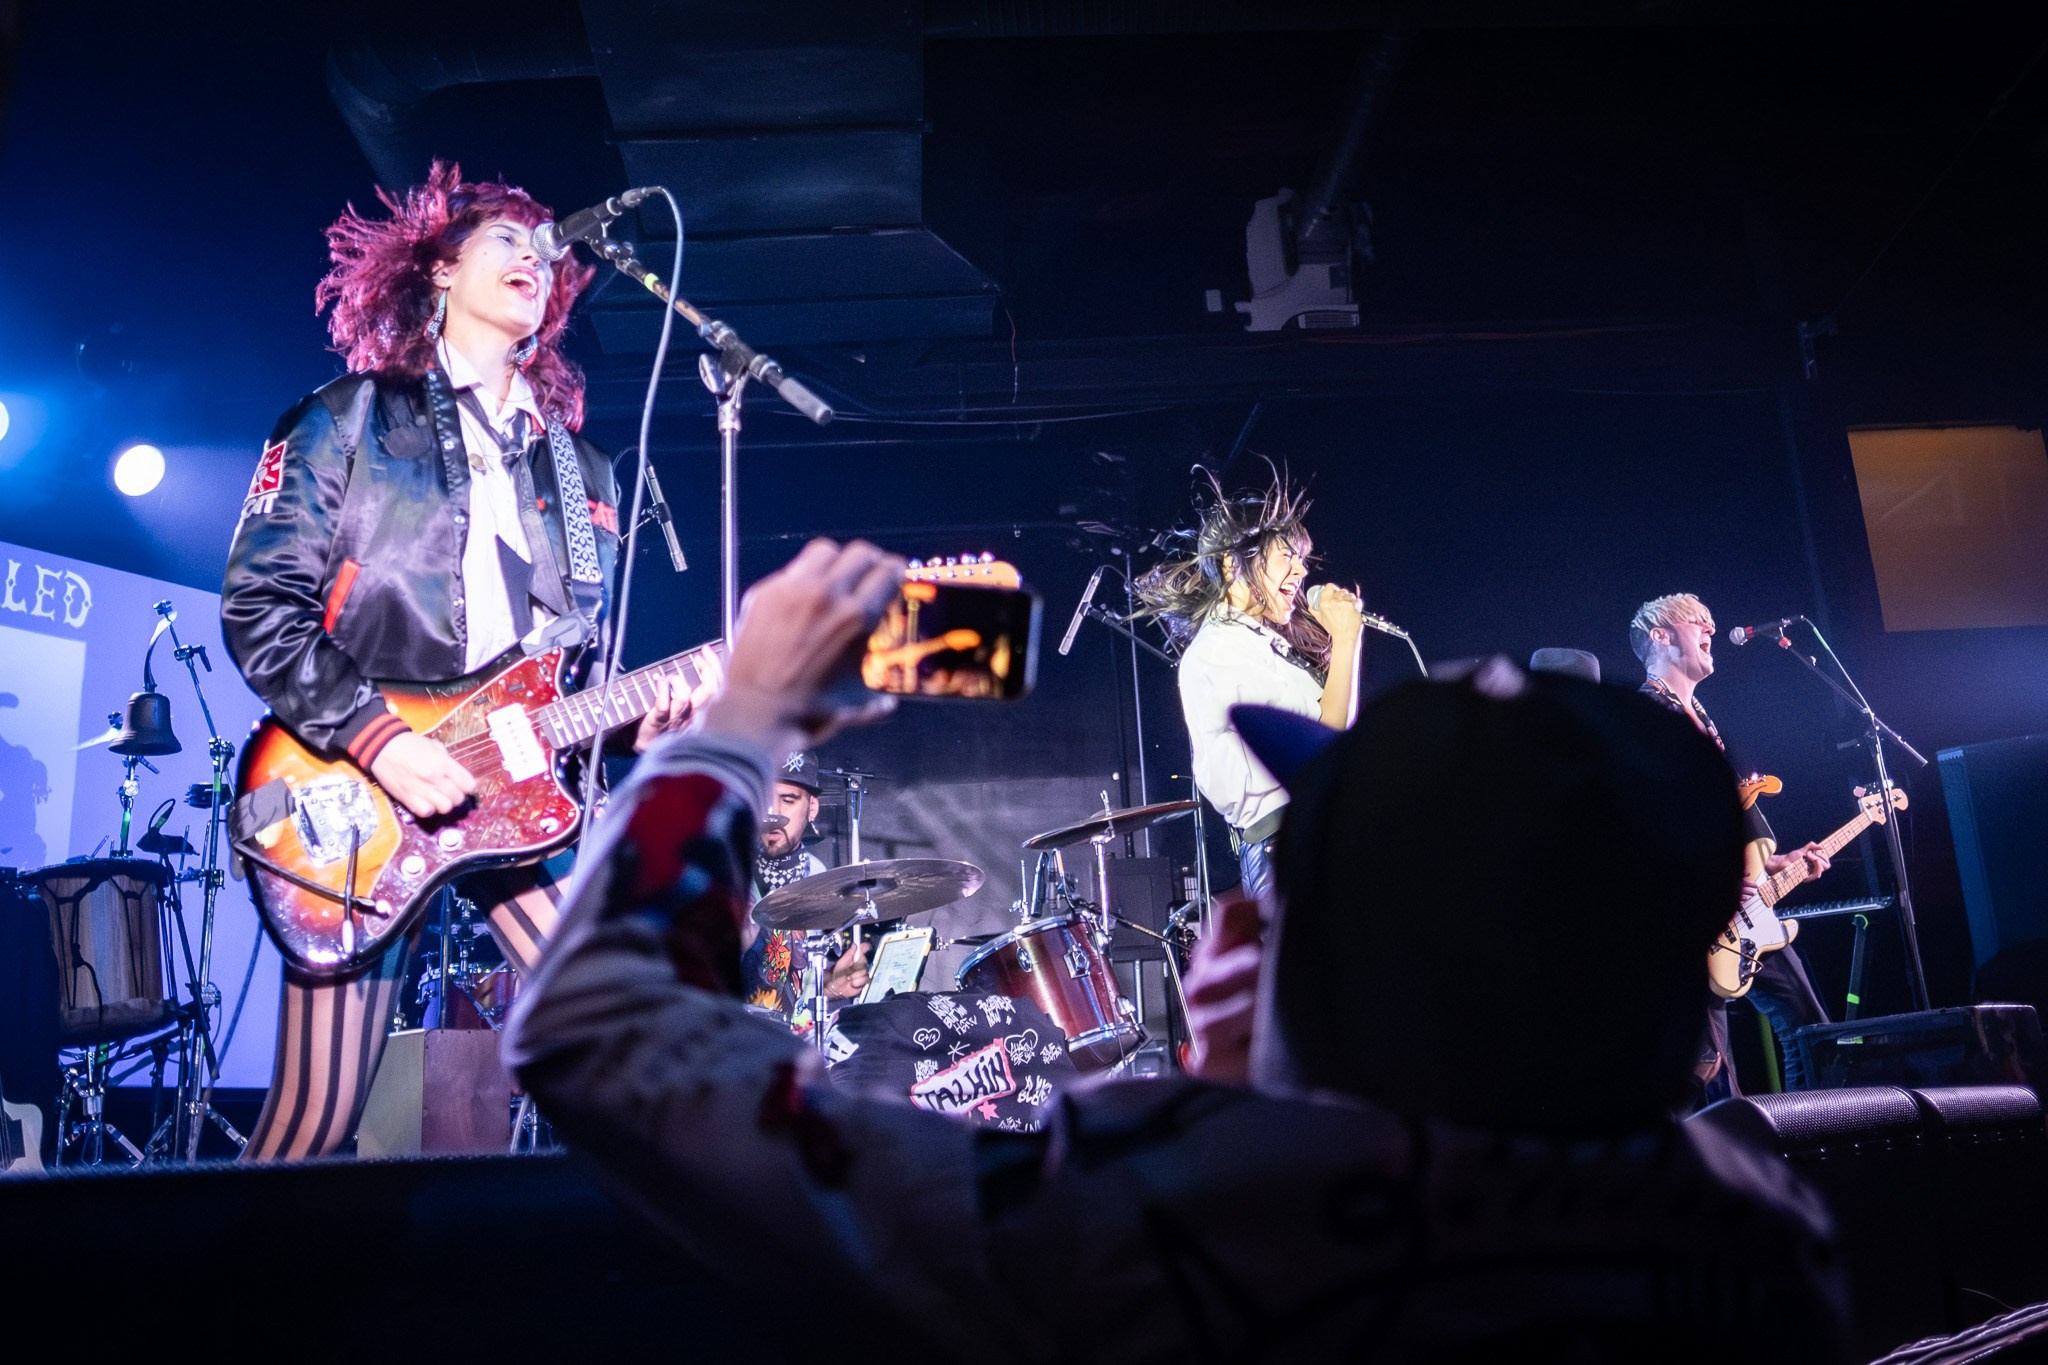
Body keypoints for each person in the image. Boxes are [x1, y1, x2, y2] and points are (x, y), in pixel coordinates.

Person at [501, 543, 1847, 1361]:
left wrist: (739, 726)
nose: (1247, 921)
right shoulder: (1753, 1235)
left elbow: (598, 1039)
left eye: (1304, 894)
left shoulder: (1177, 1208)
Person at [221, 162, 693, 1160]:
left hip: (518, 795)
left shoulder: (584, 474)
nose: (533, 256)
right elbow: (260, 606)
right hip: (355, 785)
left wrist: (635, 723)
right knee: (314, 1122)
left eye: (542, 249)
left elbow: (565, 671)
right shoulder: (349, 418)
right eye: (504, 240)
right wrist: (379, 740)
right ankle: (224, 1267)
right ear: (438, 269)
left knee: (629, 1049)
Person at [1629, 593, 1832, 1099]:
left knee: (1813, 1035)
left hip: (1745, 909)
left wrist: (1777, 863)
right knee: (1712, 1073)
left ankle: (1809, 1131)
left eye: (1711, 622)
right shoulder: (1648, 716)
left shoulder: (1700, 716)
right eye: (1697, 621)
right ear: (1660, 636)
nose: (1711, 629)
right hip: (1690, 919)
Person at [1133, 468, 1364, 895]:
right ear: (1232, 563)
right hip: (1287, 849)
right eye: (1286, 556)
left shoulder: (1263, 644)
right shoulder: (1220, 650)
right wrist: (1347, 639)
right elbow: (1324, 741)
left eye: (1301, 559)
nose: (1301, 571)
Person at [742, 749, 868, 1016]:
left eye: (788, 800)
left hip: (788, 1033)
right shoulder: (728, 870)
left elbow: (799, 983)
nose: (773, 814)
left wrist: (831, 987)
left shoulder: (817, 875)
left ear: (812, 808)